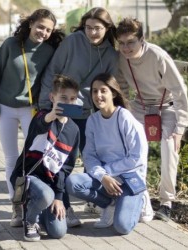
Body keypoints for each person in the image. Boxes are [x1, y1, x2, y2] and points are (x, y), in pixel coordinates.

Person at [0, 9, 65, 227]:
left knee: (34, 157)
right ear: (30, 24)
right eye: (40, 27)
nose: (43, 32)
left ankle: (34, 203)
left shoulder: (50, 51)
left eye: (48, 30)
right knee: (11, 158)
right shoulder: (11, 45)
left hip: (32, 110)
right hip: (6, 108)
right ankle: (16, 205)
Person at [39, 7, 118, 216]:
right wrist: (45, 104)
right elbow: (53, 69)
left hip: (90, 111)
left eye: (97, 28)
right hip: (64, 106)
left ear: (107, 28)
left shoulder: (111, 54)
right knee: (64, 158)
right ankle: (63, 204)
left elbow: (110, 87)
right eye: (88, 27)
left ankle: (92, 199)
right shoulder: (73, 41)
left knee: (92, 155)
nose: (92, 32)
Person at [115, 18, 188, 221]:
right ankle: (136, 193)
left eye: (130, 42)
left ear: (142, 39)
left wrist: (181, 127)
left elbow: (180, 91)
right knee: (128, 144)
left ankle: (166, 202)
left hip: (167, 106)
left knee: (169, 146)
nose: (126, 48)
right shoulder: (121, 58)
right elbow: (121, 86)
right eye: (121, 43)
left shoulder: (157, 56)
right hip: (139, 104)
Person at [66, 73, 149, 234]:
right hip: (105, 178)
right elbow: (89, 156)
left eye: (103, 90)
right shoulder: (92, 120)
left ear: (114, 93)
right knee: (72, 182)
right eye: (95, 91)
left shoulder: (125, 117)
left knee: (122, 227)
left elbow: (137, 157)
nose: (98, 95)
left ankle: (140, 200)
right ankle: (109, 204)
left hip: (129, 179)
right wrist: (103, 177)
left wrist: (107, 172)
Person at [10, 75, 80, 241]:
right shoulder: (42, 116)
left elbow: (66, 167)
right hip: (27, 177)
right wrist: (52, 115)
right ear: (52, 97)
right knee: (45, 195)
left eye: (72, 99)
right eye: (63, 98)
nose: (68, 103)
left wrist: (59, 197)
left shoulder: (74, 130)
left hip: (49, 184)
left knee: (58, 232)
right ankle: (30, 220)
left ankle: (38, 208)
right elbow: (39, 125)